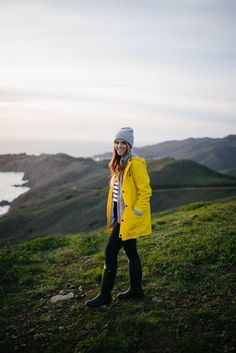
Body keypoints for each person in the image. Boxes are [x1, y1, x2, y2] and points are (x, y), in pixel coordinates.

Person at [85, 127, 152, 308]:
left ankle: (105, 296)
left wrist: (136, 213)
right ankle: (136, 290)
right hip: (120, 217)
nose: (119, 146)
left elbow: (146, 191)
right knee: (131, 252)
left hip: (127, 218)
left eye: (123, 143)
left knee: (110, 252)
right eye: (117, 142)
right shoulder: (119, 163)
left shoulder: (134, 163)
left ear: (129, 145)